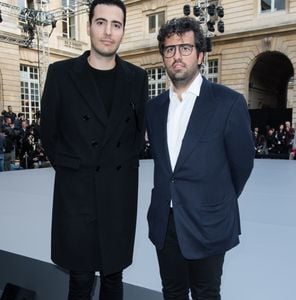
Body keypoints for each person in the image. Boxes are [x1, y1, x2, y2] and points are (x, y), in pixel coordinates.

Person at [40, 0, 148, 299]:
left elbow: (138, 137)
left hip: (118, 194)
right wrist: (74, 169)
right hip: (77, 194)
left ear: (123, 30)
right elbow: (48, 133)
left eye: (116, 24)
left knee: (114, 277)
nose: (108, 31)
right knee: (80, 279)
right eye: (101, 22)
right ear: (89, 26)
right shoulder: (61, 74)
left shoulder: (137, 78)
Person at [145, 17, 255, 300]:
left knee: (206, 294)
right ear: (163, 57)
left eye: (185, 48)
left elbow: (242, 164)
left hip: (208, 220)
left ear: (201, 54)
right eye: (169, 50)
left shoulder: (228, 103)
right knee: (172, 292)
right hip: (165, 221)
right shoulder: (154, 109)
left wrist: (215, 200)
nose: (176, 56)